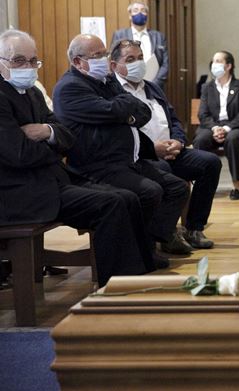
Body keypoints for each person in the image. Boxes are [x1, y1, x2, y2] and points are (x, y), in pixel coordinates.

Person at [0, 30, 153, 284]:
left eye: (32, 61)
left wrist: (46, 132)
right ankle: (115, 288)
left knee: (126, 197)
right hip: (20, 194)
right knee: (111, 204)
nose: (27, 67)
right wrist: (53, 146)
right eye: (18, 61)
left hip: (50, 180)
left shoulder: (34, 94)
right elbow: (19, 154)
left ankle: (139, 276)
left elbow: (66, 137)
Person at [53, 34, 192, 258]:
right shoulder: (70, 87)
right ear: (78, 61)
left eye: (104, 54)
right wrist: (122, 113)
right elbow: (115, 111)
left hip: (125, 161)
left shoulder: (105, 80)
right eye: (96, 55)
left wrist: (122, 113)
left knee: (178, 188)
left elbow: (141, 110)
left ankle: (149, 241)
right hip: (96, 166)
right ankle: (142, 251)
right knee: (150, 191)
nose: (103, 59)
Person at [111, 39, 221, 249]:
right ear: (114, 65)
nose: (138, 63)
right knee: (163, 170)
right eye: (130, 59)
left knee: (210, 163)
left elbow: (173, 118)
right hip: (142, 156)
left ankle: (193, 228)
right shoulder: (112, 90)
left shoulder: (152, 87)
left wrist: (178, 141)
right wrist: (154, 149)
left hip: (171, 150)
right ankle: (166, 234)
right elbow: (120, 131)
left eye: (140, 58)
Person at [194, 51, 239, 200]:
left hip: (237, 128)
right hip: (213, 127)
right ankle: (203, 185)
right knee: (201, 140)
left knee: (232, 139)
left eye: (218, 61)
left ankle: (236, 186)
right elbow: (203, 114)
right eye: (213, 61)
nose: (214, 64)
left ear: (228, 66)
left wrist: (227, 129)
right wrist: (215, 128)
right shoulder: (207, 88)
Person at [111, 2, 169, 88]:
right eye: (136, 10)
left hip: (155, 84)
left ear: (147, 15)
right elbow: (115, 59)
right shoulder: (120, 35)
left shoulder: (159, 36)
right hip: (128, 84)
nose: (140, 13)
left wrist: (155, 84)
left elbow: (165, 63)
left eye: (143, 10)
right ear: (130, 15)